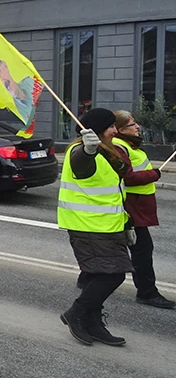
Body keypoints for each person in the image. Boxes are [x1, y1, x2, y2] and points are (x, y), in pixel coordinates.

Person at [58, 108, 132, 346]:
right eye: (111, 126)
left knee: (99, 275)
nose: (115, 130)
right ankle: (76, 313)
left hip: (106, 226)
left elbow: (113, 192)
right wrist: (88, 150)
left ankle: (93, 323)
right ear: (98, 129)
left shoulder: (104, 152)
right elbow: (81, 164)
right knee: (113, 275)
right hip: (88, 227)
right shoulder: (80, 151)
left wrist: (126, 223)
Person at [111, 111, 174, 309]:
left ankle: (86, 278)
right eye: (132, 124)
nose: (137, 127)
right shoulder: (119, 147)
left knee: (114, 246)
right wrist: (153, 175)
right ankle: (147, 292)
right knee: (142, 250)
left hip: (136, 205)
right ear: (120, 129)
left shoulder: (129, 145)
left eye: (135, 123)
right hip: (130, 207)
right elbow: (127, 177)